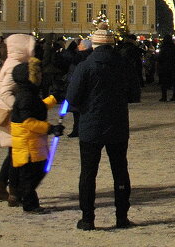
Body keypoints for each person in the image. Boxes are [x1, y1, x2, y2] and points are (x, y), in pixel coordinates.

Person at [65, 23, 140, 231]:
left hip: (91, 126)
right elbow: (134, 94)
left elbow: (72, 97)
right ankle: (122, 216)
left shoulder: (85, 66)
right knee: (120, 171)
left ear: (94, 45)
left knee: (88, 174)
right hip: (117, 125)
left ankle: (88, 218)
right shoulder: (124, 65)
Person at [8, 56, 64, 213]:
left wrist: (53, 99)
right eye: (37, 74)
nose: (40, 77)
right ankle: (29, 204)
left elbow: (38, 108)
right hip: (28, 146)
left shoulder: (28, 93)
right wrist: (50, 129)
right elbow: (29, 122)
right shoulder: (26, 96)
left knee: (35, 172)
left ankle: (20, 195)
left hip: (31, 143)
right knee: (32, 175)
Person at [0, 33, 37, 205]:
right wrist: (20, 109)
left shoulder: (13, 63)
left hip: (11, 116)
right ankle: (14, 192)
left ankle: (1, 187)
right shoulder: (15, 66)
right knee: (16, 155)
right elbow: (5, 93)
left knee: (13, 153)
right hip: (13, 118)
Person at [157, 35, 175, 103]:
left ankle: (164, 97)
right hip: (174, 67)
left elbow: (160, 58)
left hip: (165, 68)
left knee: (164, 83)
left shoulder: (164, 48)